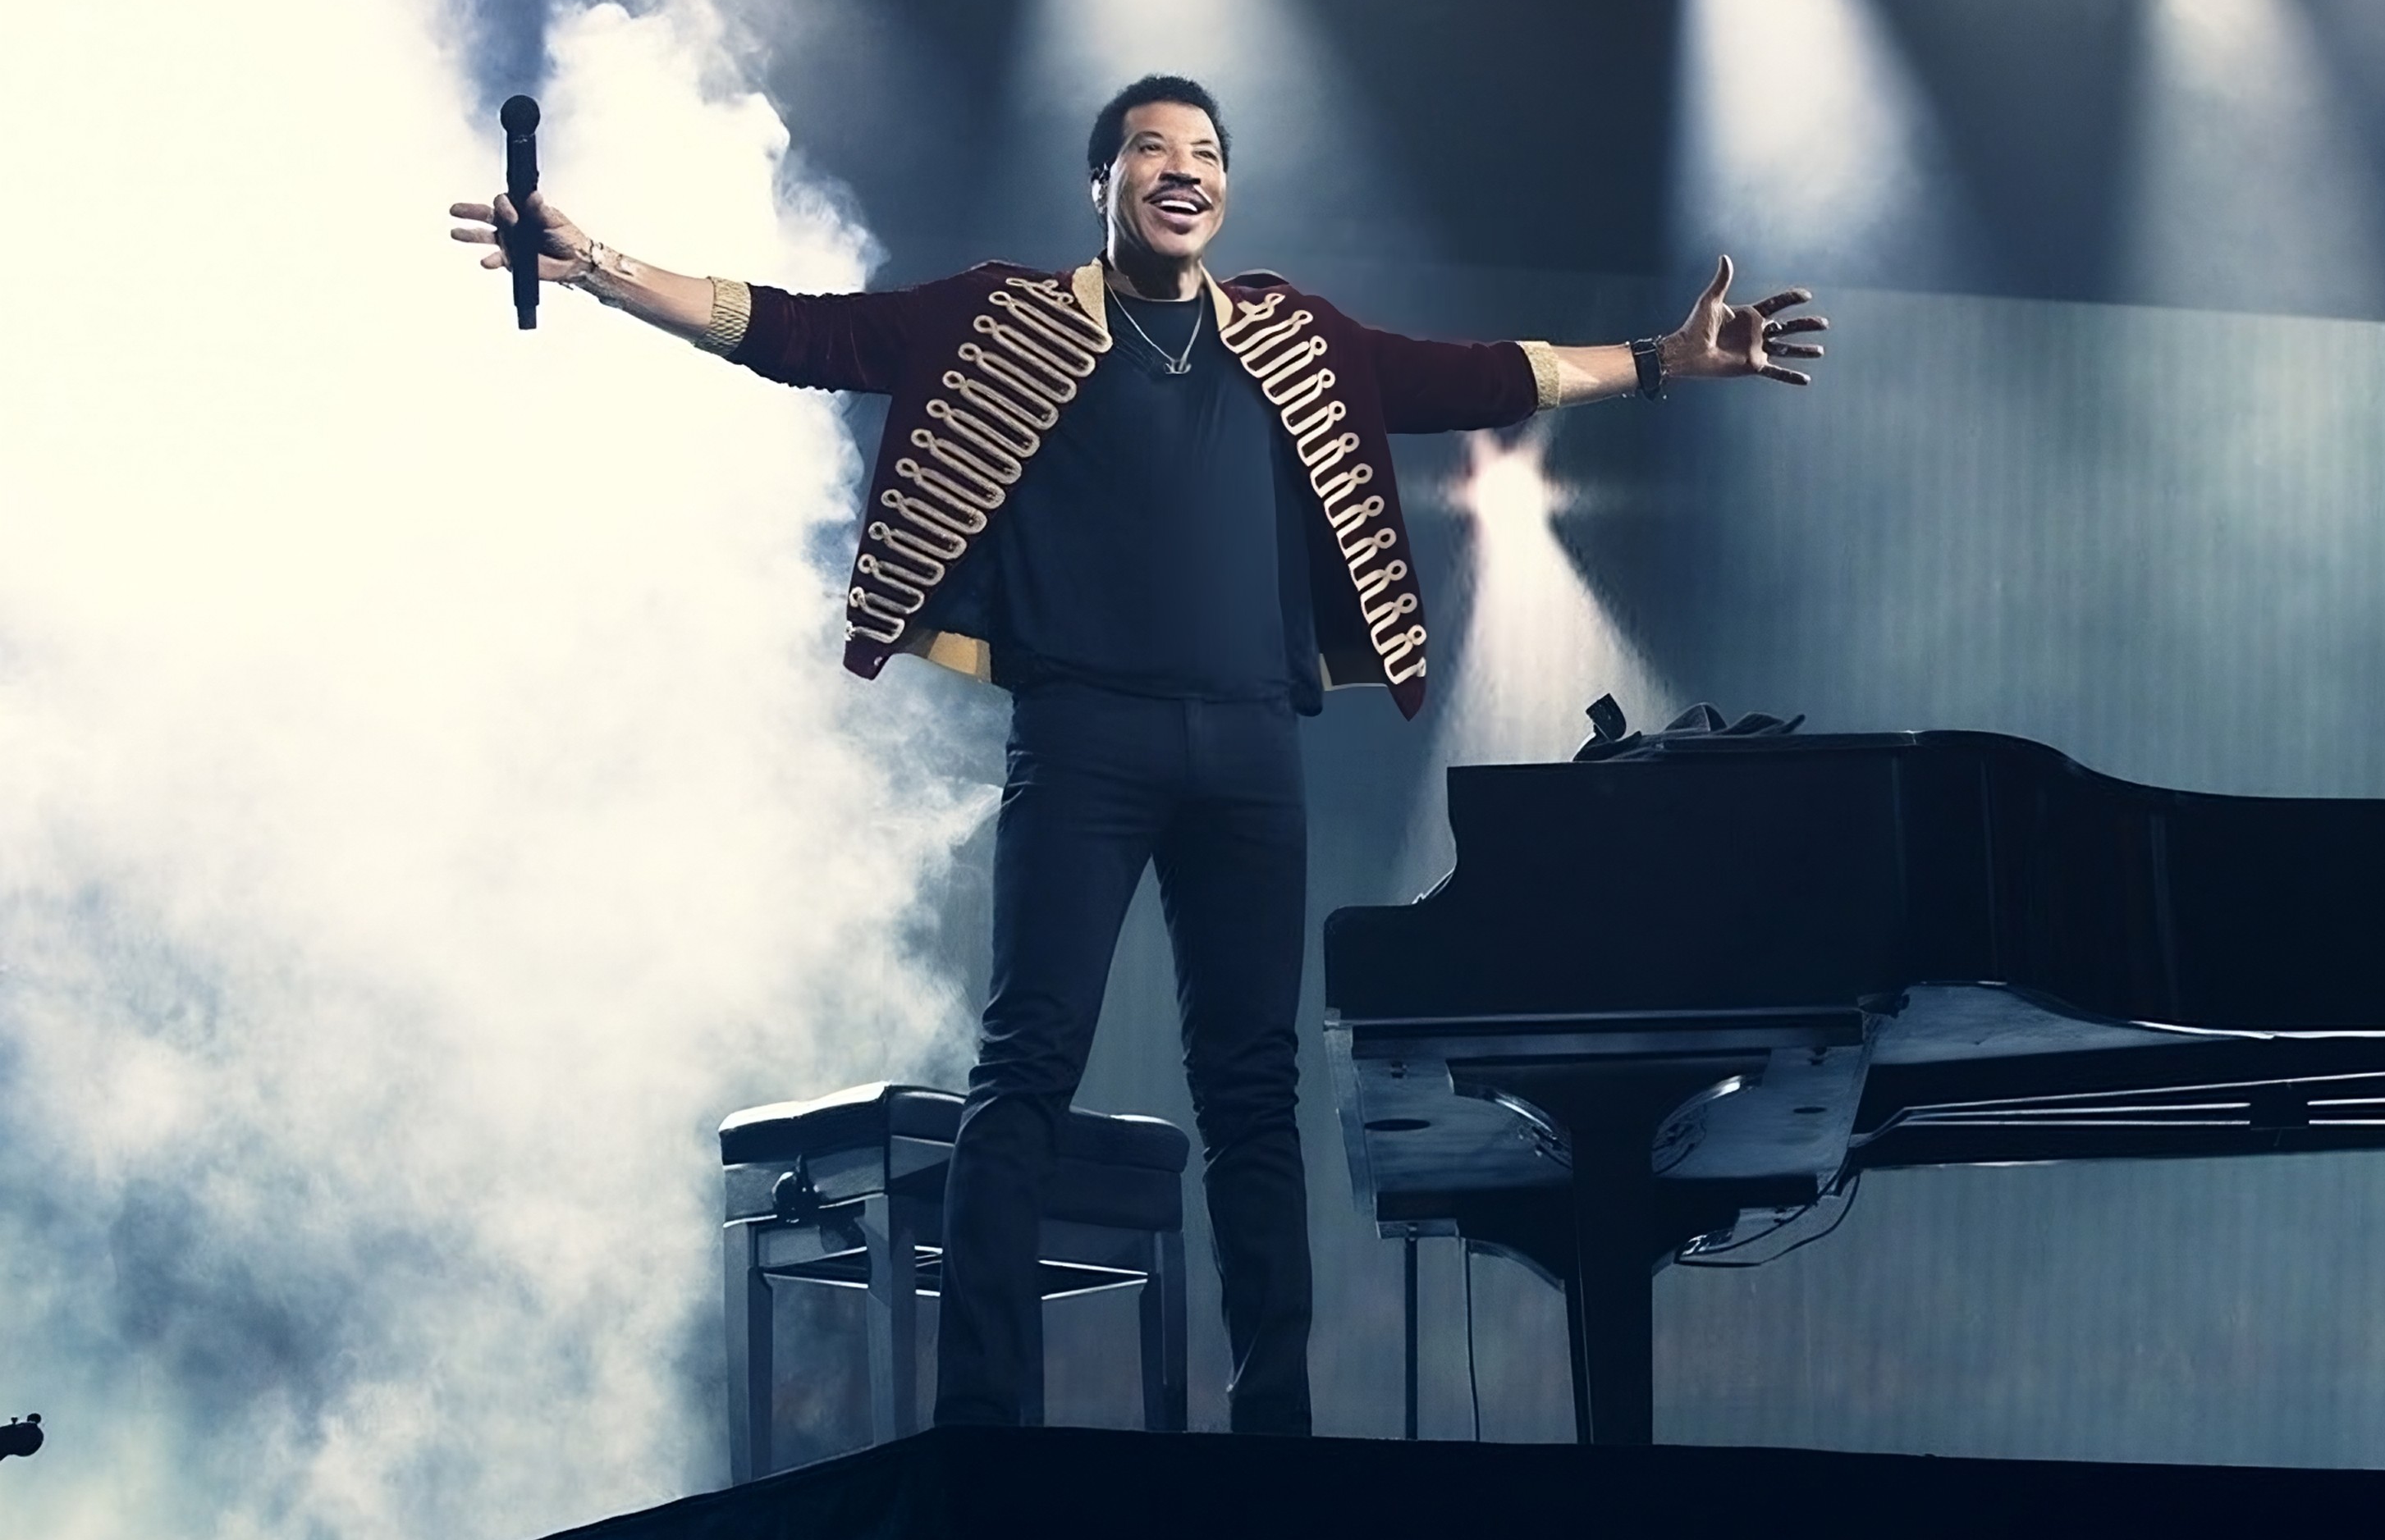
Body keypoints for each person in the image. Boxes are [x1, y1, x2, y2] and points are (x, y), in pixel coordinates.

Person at [452, 75, 1827, 1435]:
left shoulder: (1296, 336)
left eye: (1208, 153)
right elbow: (801, 331)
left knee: (1252, 1083)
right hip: (1085, 733)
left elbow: (1482, 376)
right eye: (1154, 150)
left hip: (1248, 746)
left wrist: (1664, 358)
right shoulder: (1001, 319)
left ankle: (1271, 1413)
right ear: (1099, 185)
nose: (1185, 170)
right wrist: (600, 268)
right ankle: (984, 1417)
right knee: (1027, 1062)